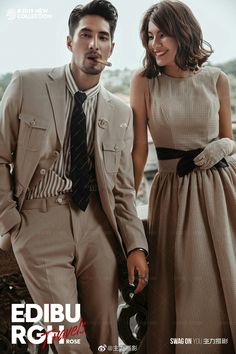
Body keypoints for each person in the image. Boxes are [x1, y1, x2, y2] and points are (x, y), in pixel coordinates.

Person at [0, 1, 149, 353]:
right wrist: (12, 222)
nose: (94, 44)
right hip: (38, 225)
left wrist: (136, 246)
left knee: (106, 340)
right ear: (70, 42)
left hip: (98, 228)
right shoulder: (27, 84)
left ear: (112, 48)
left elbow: (124, 191)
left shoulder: (120, 112)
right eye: (86, 35)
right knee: (69, 339)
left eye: (103, 37)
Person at [130, 1, 236, 353]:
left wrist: (221, 147)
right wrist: (127, 205)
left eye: (163, 34)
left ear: (184, 32)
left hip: (222, 189)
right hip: (174, 193)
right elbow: (138, 152)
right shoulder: (144, 83)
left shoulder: (216, 79)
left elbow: (228, 139)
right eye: (150, 36)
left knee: (228, 275)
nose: (155, 44)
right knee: (190, 283)